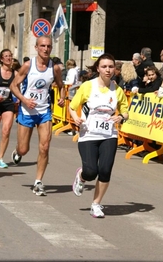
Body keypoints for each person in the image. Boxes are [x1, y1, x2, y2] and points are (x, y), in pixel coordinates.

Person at [69, 53, 129, 218]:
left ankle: (96, 204)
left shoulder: (117, 90)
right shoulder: (88, 86)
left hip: (109, 134)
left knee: (105, 170)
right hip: (88, 134)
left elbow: (126, 111)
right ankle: (81, 176)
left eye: (111, 66)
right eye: (104, 66)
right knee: (90, 172)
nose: (108, 70)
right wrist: (75, 119)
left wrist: (121, 116)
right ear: (98, 68)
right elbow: (72, 107)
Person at [9, 35, 65, 196]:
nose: (46, 49)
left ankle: (38, 181)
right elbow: (14, 86)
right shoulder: (28, 66)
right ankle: (17, 152)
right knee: (23, 149)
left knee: (45, 146)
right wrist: (24, 100)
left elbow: (61, 85)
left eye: (48, 46)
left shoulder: (54, 68)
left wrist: (62, 97)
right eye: (42, 46)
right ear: (36, 48)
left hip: (43, 111)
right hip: (27, 111)